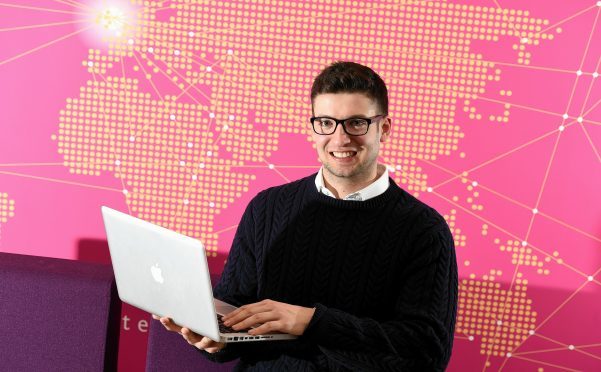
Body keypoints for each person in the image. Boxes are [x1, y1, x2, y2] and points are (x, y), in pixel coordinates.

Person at [155, 61, 458, 371]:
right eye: (327, 123)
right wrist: (214, 339)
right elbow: (233, 310)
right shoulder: (267, 207)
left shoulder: (423, 230)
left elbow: (427, 353)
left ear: (384, 129)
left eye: (356, 123)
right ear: (313, 127)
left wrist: (310, 321)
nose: (340, 139)